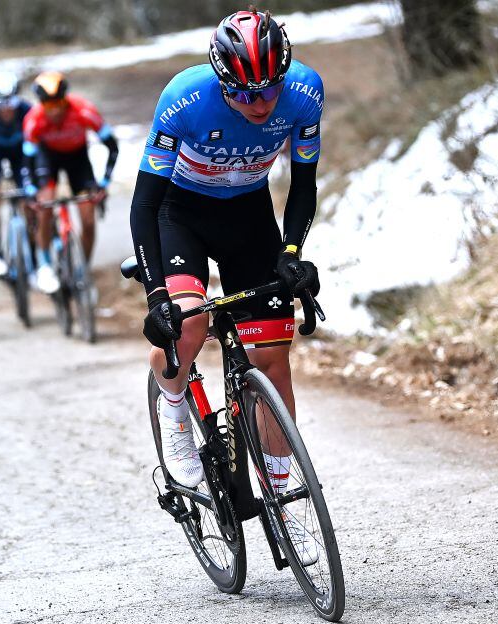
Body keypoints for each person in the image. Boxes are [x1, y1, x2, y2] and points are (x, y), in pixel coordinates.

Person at [129, 10, 322, 563]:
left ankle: (282, 497)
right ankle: (174, 412)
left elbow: (303, 186)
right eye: (244, 94)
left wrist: (291, 254)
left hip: (248, 216)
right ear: (221, 80)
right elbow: (144, 204)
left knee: (273, 359)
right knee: (189, 322)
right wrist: (156, 296)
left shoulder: (305, 94)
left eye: (269, 90)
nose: (260, 105)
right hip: (180, 215)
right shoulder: (184, 99)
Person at [21, 70, 118, 293]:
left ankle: (83, 270)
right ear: (41, 103)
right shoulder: (33, 119)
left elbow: (112, 147)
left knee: (88, 220)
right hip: (48, 159)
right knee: (45, 206)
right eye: (49, 105)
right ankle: (45, 265)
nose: (54, 110)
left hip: (78, 159)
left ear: (65, 98)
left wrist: (104, 182)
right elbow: (27, 160)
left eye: (59, 103)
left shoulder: (84, 110)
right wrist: (30, 189)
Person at [0, 71, 33, 280]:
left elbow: (35, 146)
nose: (6, 110)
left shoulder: (27, 110)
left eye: (10, 104)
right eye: (1, 105)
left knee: (29, 201)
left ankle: (34, 258)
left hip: (20, 155)